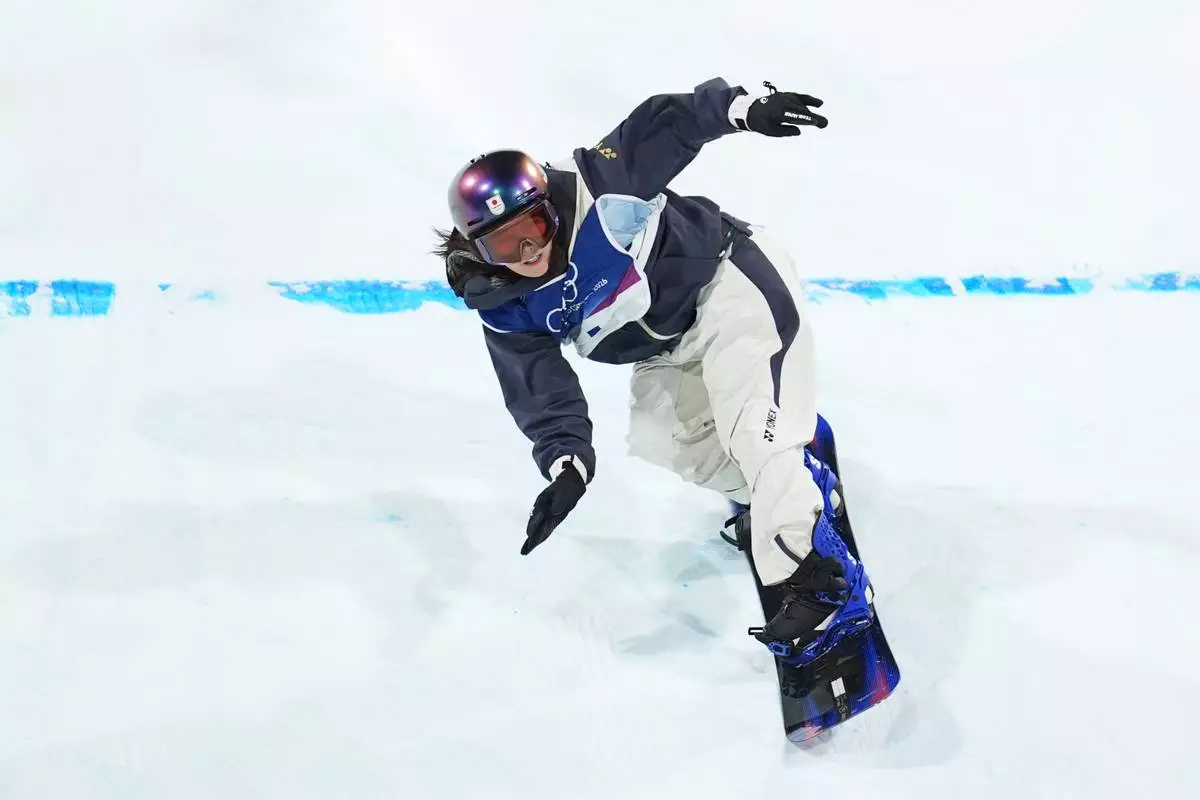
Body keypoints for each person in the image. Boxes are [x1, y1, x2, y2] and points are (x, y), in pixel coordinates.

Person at [433, 77, 874, 666]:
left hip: (730, 288)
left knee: (756, 433)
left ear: (549, 210)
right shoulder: (505, 302)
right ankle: (790, 488)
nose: (528, 254)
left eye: (533, 230)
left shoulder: (598, 188)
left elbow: (670, 121)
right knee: (672, 444)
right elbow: (539, 387)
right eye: (504, 246)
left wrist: (745, 109)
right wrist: (566, 464)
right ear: (475, 249)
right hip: (665, 349)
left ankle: (822, 582)